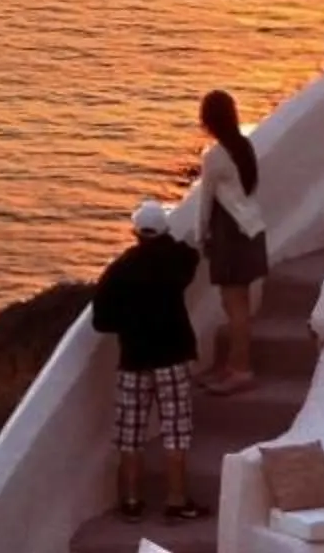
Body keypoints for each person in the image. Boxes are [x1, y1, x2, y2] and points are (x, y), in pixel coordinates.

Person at [92, 199, 205, 523]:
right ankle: (176, 499)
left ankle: (131, 501)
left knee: (131, 434)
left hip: (134, 359)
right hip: (173, 356)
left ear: (135, 233)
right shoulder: (178, 260)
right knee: (176, 431)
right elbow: (191, 255)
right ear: (165, 231)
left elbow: (101, 321)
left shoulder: (120, 269)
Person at [195, 89, 269, 393]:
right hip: (253, 229)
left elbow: (205, 202)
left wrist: (201, 238)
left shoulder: (215, 156)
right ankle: (234, 365)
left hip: (232, 233)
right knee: (238, 304)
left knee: (234, 304)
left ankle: (241, 369)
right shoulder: (245, 146)